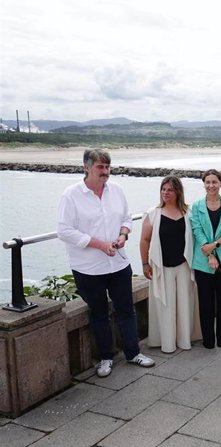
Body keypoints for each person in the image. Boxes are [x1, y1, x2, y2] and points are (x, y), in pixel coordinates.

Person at [57, 148, 154, 378]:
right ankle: (106, 358)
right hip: (88, 268)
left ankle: (133, 353)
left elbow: (126, 218)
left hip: (119, 264)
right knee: (99, 313)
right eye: (100, 167)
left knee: (126, 310)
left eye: (108, 167)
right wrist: (99, 244)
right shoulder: (70, 195)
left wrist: (123, 235)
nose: (105, 172)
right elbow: (64, 231)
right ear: (87, 167)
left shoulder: (117, 190)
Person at [140, 176, 201, 353]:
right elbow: (144, 240)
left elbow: (197, 238)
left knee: (184, 304)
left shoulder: (189, 213)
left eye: (170, 190)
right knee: (165, 305)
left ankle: (184, 340)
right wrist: (145, 264)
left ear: (178, 192)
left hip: (184, 265)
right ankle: (167, 343)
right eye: (163, 189)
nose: (165, 192)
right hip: (161, 266)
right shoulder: (153, 213)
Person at [190, 169, 221, 349]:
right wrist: (209, 253)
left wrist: (215, 245)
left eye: (214, 182)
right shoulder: (196, 206)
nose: (211, 185)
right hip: (203, 261)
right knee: (206, 303)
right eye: (208, 182)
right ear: (204, 184)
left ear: (220, 183)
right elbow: (197, 230)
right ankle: (208, 340)